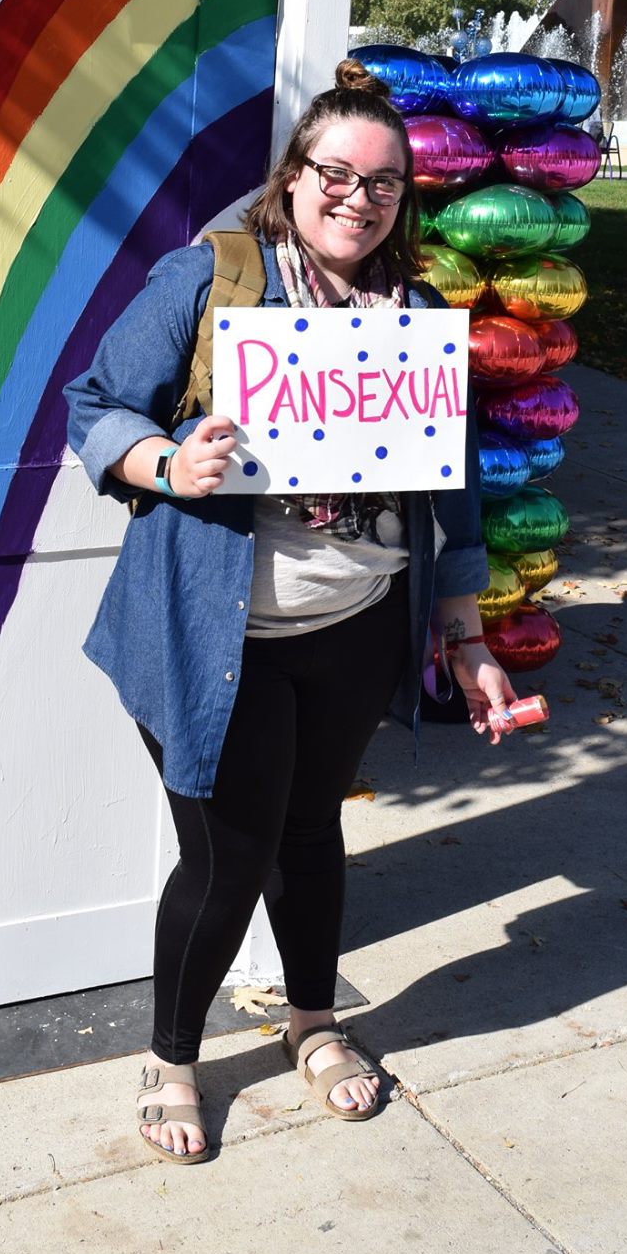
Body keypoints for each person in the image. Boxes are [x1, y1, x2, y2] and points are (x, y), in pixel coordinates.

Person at [65, 60, 519, 1164]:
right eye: (336, 172)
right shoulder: (216, 277)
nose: (356, 198)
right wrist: (168, 459)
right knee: (226, 856)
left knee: (314, 830)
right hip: (220, 632)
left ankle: (312, 1022)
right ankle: (174, 1058)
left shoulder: (413, 319)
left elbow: (450, 500)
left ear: (404, 200)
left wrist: (466, 641)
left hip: (359, 627)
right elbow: (96, 400)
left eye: (383, 183)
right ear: (294, 176)